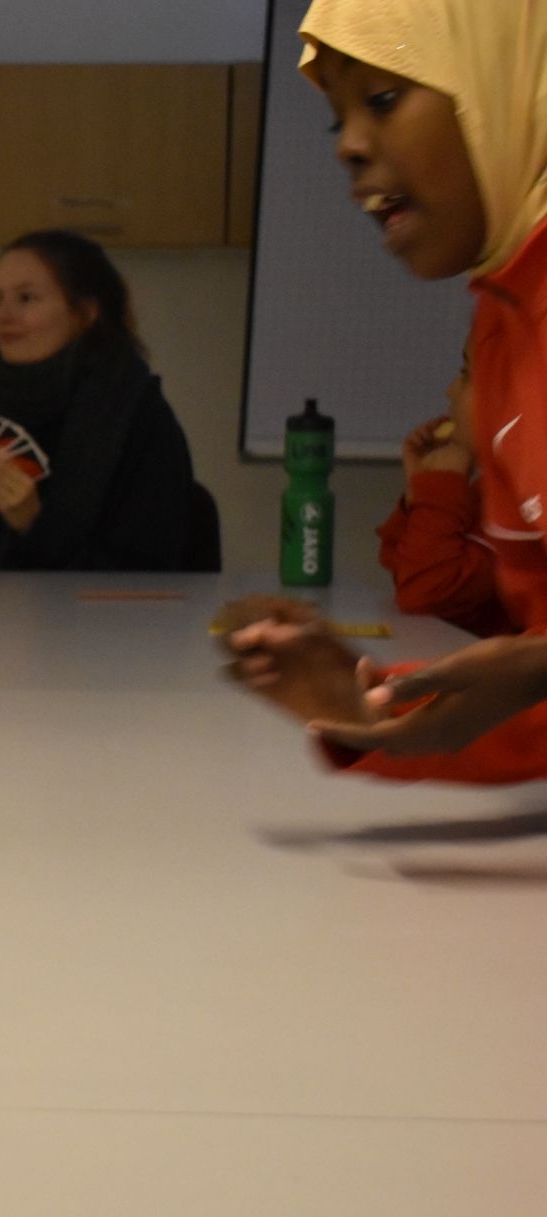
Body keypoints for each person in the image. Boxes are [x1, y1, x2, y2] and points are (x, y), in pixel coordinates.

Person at [225, 0, 547, 776]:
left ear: (503, 81)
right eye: (338, 119)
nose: (349, 146)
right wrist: (370, 706)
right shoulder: (501, 329)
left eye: (383, 98)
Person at [0, 229, 201, 571]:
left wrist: (34, 524)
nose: (3, 316)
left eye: (26, 298)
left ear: (85, 313)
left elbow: (141, 571)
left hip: (97, 605)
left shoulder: (136, 412)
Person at [374, 348, 518, 637]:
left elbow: (425, 591)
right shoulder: (490, 489)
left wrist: (440, 487)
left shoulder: (521, 508)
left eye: (466, 375)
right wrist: (420, 490)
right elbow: (402, 569)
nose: (450, 391)